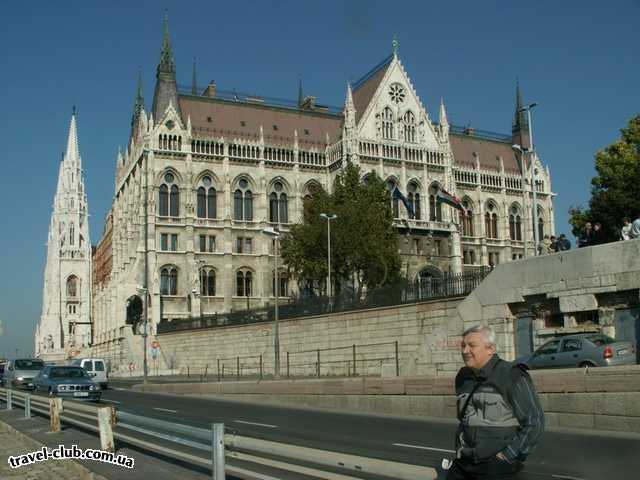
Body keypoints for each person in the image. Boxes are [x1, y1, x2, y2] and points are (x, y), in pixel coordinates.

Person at [446, 325, 544, 480]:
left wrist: (507, 456)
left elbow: (534, 422)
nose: (464, 351)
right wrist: (460, 449)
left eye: (471, 345)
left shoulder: (511, 375)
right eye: (463, 345)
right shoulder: (463, 377)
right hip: (464, 462)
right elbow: (463, 420)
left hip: (496, 466)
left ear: (490, 348)